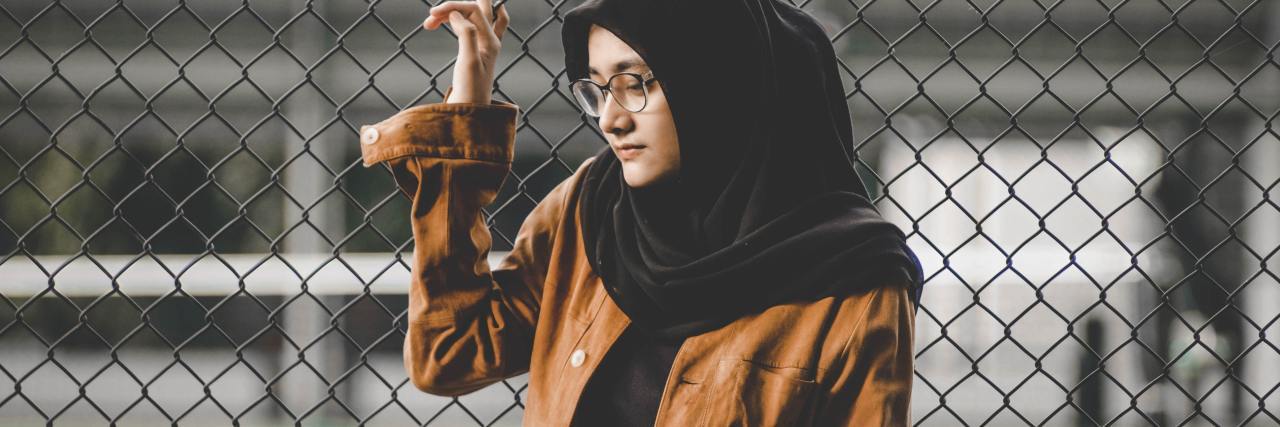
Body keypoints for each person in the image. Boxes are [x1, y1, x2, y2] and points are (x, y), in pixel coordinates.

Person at [356, 0, 926, 425]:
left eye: (634, 84)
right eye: (598, 89)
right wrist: (467, 110)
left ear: (718, 82)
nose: (609, 119)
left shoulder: (854, 283)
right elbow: (448, 353)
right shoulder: (591, 211)